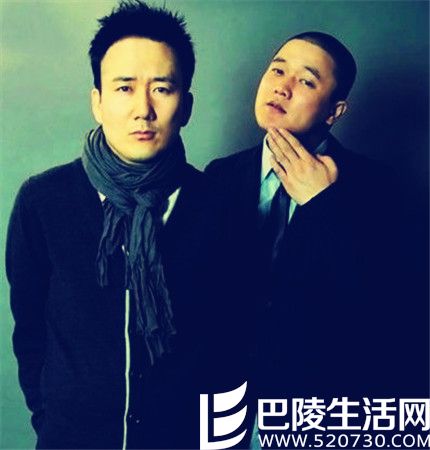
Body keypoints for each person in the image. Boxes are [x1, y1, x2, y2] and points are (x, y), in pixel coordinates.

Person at [6, 2, 251, 448]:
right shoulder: (43, 200)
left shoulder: (219, 205)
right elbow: (31, 330)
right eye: (124, 88)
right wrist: (52, 417)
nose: (143, 109)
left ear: (186, 105)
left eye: (162, 88)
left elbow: (233, 341)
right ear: (97, 102)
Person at [206, 31, 428, 408]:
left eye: (306, 81)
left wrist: (322, 204)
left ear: (334, 112)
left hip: (316, 403)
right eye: (277, 71)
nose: (282, 87)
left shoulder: (378, 186)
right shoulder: (220, 175)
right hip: (225, 397)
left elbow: (385, 311)